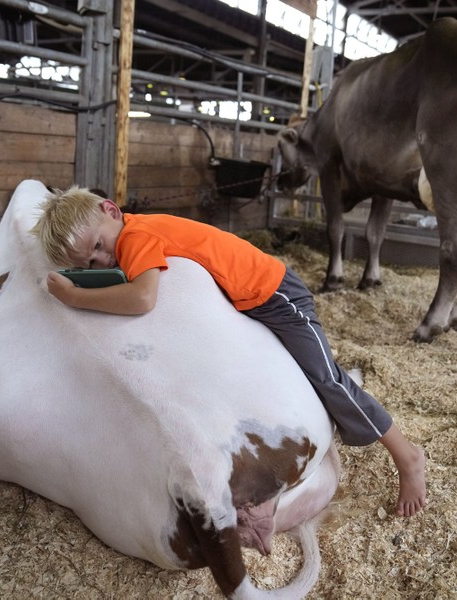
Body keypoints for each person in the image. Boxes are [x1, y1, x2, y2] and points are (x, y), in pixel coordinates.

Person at [31, 185, 427, 517]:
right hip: (255, 300)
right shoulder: (132, 231)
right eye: (91, 262)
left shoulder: (135, 237)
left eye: (99, 245)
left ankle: (407, 457)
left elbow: (143, 298)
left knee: (327, 378)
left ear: (111, 210)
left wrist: (76, 295)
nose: (104, 258)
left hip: (275, 294)